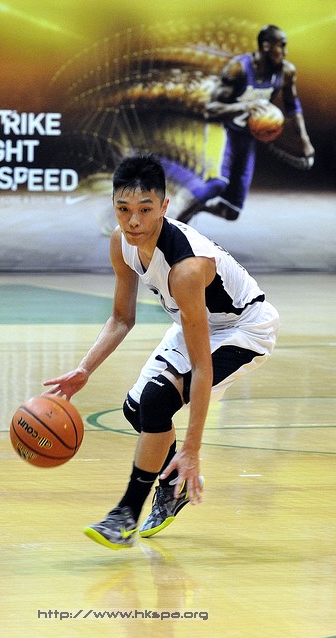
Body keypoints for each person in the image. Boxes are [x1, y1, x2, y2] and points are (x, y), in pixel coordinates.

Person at [43, 153, 279, 550]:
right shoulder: (121, 242)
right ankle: (172, 483)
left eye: (145, 209)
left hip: (244, 328)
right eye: (123, 209)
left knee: (156, 402)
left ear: (164, 207)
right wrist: (84, 370)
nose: (133, 221)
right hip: (195, 320)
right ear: (114, 205)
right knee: (136, 410)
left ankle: (125, 515)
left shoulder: (186, 268)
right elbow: (122, 318)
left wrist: (192, 449)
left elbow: (202, 368)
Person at [176, 24, 315, 223]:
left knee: (231, 212)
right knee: (216, 184)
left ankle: (195, 205)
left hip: (247, 137)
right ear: (266, 46)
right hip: (223, 130)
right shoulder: (238, 68)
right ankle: (171, 228)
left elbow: (293, 108)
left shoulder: (286, 71)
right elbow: (210, 109)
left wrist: (305, 142)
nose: (285, 52)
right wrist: (245, 106)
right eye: (282, 45)